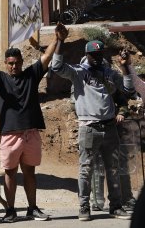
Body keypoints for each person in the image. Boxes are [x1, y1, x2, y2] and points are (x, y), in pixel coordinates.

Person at [0, 24, 67, 223]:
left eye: (17, 62)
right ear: (5, 63)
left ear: (22, 62)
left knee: (30, 173)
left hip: (31, 133)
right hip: (10, 134)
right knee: (10, 173)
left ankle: (32, 208)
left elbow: (46, 57)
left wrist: (58, 39)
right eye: (10, 63)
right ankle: (10, 211)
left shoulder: (31, 75)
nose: (14, 66)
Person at [51, 35, 134, 221]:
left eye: (99, 53)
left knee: (112, 168)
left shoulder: (109, 73)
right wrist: (59, 42)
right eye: (93, 54)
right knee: (85, 169)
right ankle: (84, 207)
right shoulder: (78, 72)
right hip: (89, 127)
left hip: (110, 127)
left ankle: (116, 206)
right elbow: (56, 67)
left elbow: (128, 90)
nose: (96, 57)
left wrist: (125, 66)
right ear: (87, 55)